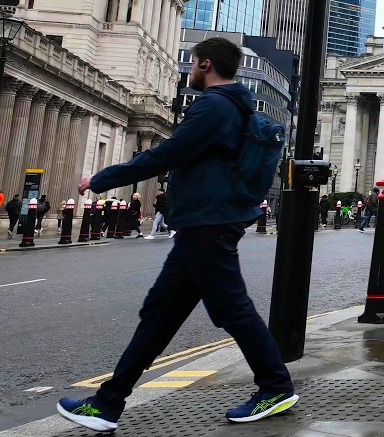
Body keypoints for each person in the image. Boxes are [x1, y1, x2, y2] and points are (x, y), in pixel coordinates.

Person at [56, 36, 296, 432]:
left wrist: (101, 179)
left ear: (204, 64)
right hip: (203, 223)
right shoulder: (234, 107)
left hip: (207, 223)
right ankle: (107, 403)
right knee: (159, 315)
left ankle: (275, 386)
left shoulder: (214, 107)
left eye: (192, 63)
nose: (188, 70)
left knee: (232, 310)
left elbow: (166, 154)